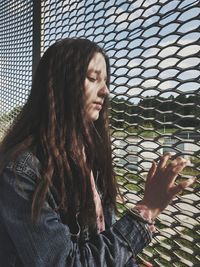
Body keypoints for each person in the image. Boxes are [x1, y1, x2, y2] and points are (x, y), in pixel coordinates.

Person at [0, 38, 195, 267]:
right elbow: (66, 262)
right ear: (59, 85)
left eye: (105, 81)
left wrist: (127, 259)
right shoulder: (21, 170)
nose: (106, 90)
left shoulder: (90, 153)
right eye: (92, 78)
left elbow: (100, 236)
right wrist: (146, 210)